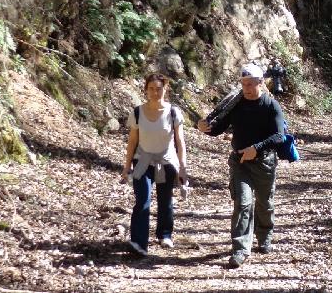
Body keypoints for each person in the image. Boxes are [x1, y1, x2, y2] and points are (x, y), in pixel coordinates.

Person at [197, 63, 285, 268]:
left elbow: (280, 136)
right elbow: (218, 127)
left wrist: (257, 147)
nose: (246, 88)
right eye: (243, 84)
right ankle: (240, 248)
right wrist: (204, 127)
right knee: (243, 203)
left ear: (261, 83)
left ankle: (265, 236)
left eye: (250, 84)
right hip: (239, 162)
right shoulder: (236, 104)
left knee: (265, 203)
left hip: (264, 162)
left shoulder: (271, 105)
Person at [120, 73, 188, 256]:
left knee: (165, 200)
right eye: (151, 88)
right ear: (145, 90)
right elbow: (132, 141)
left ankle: (164, 234)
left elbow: (180, 142)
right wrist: (127, 167)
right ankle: (138, 243)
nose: (155, 92)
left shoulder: (173, 112)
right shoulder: (137, 112)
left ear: (165, 89)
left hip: (166, 160)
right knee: (143, 199)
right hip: (143, 161)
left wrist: (183, 168)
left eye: (159, 88)